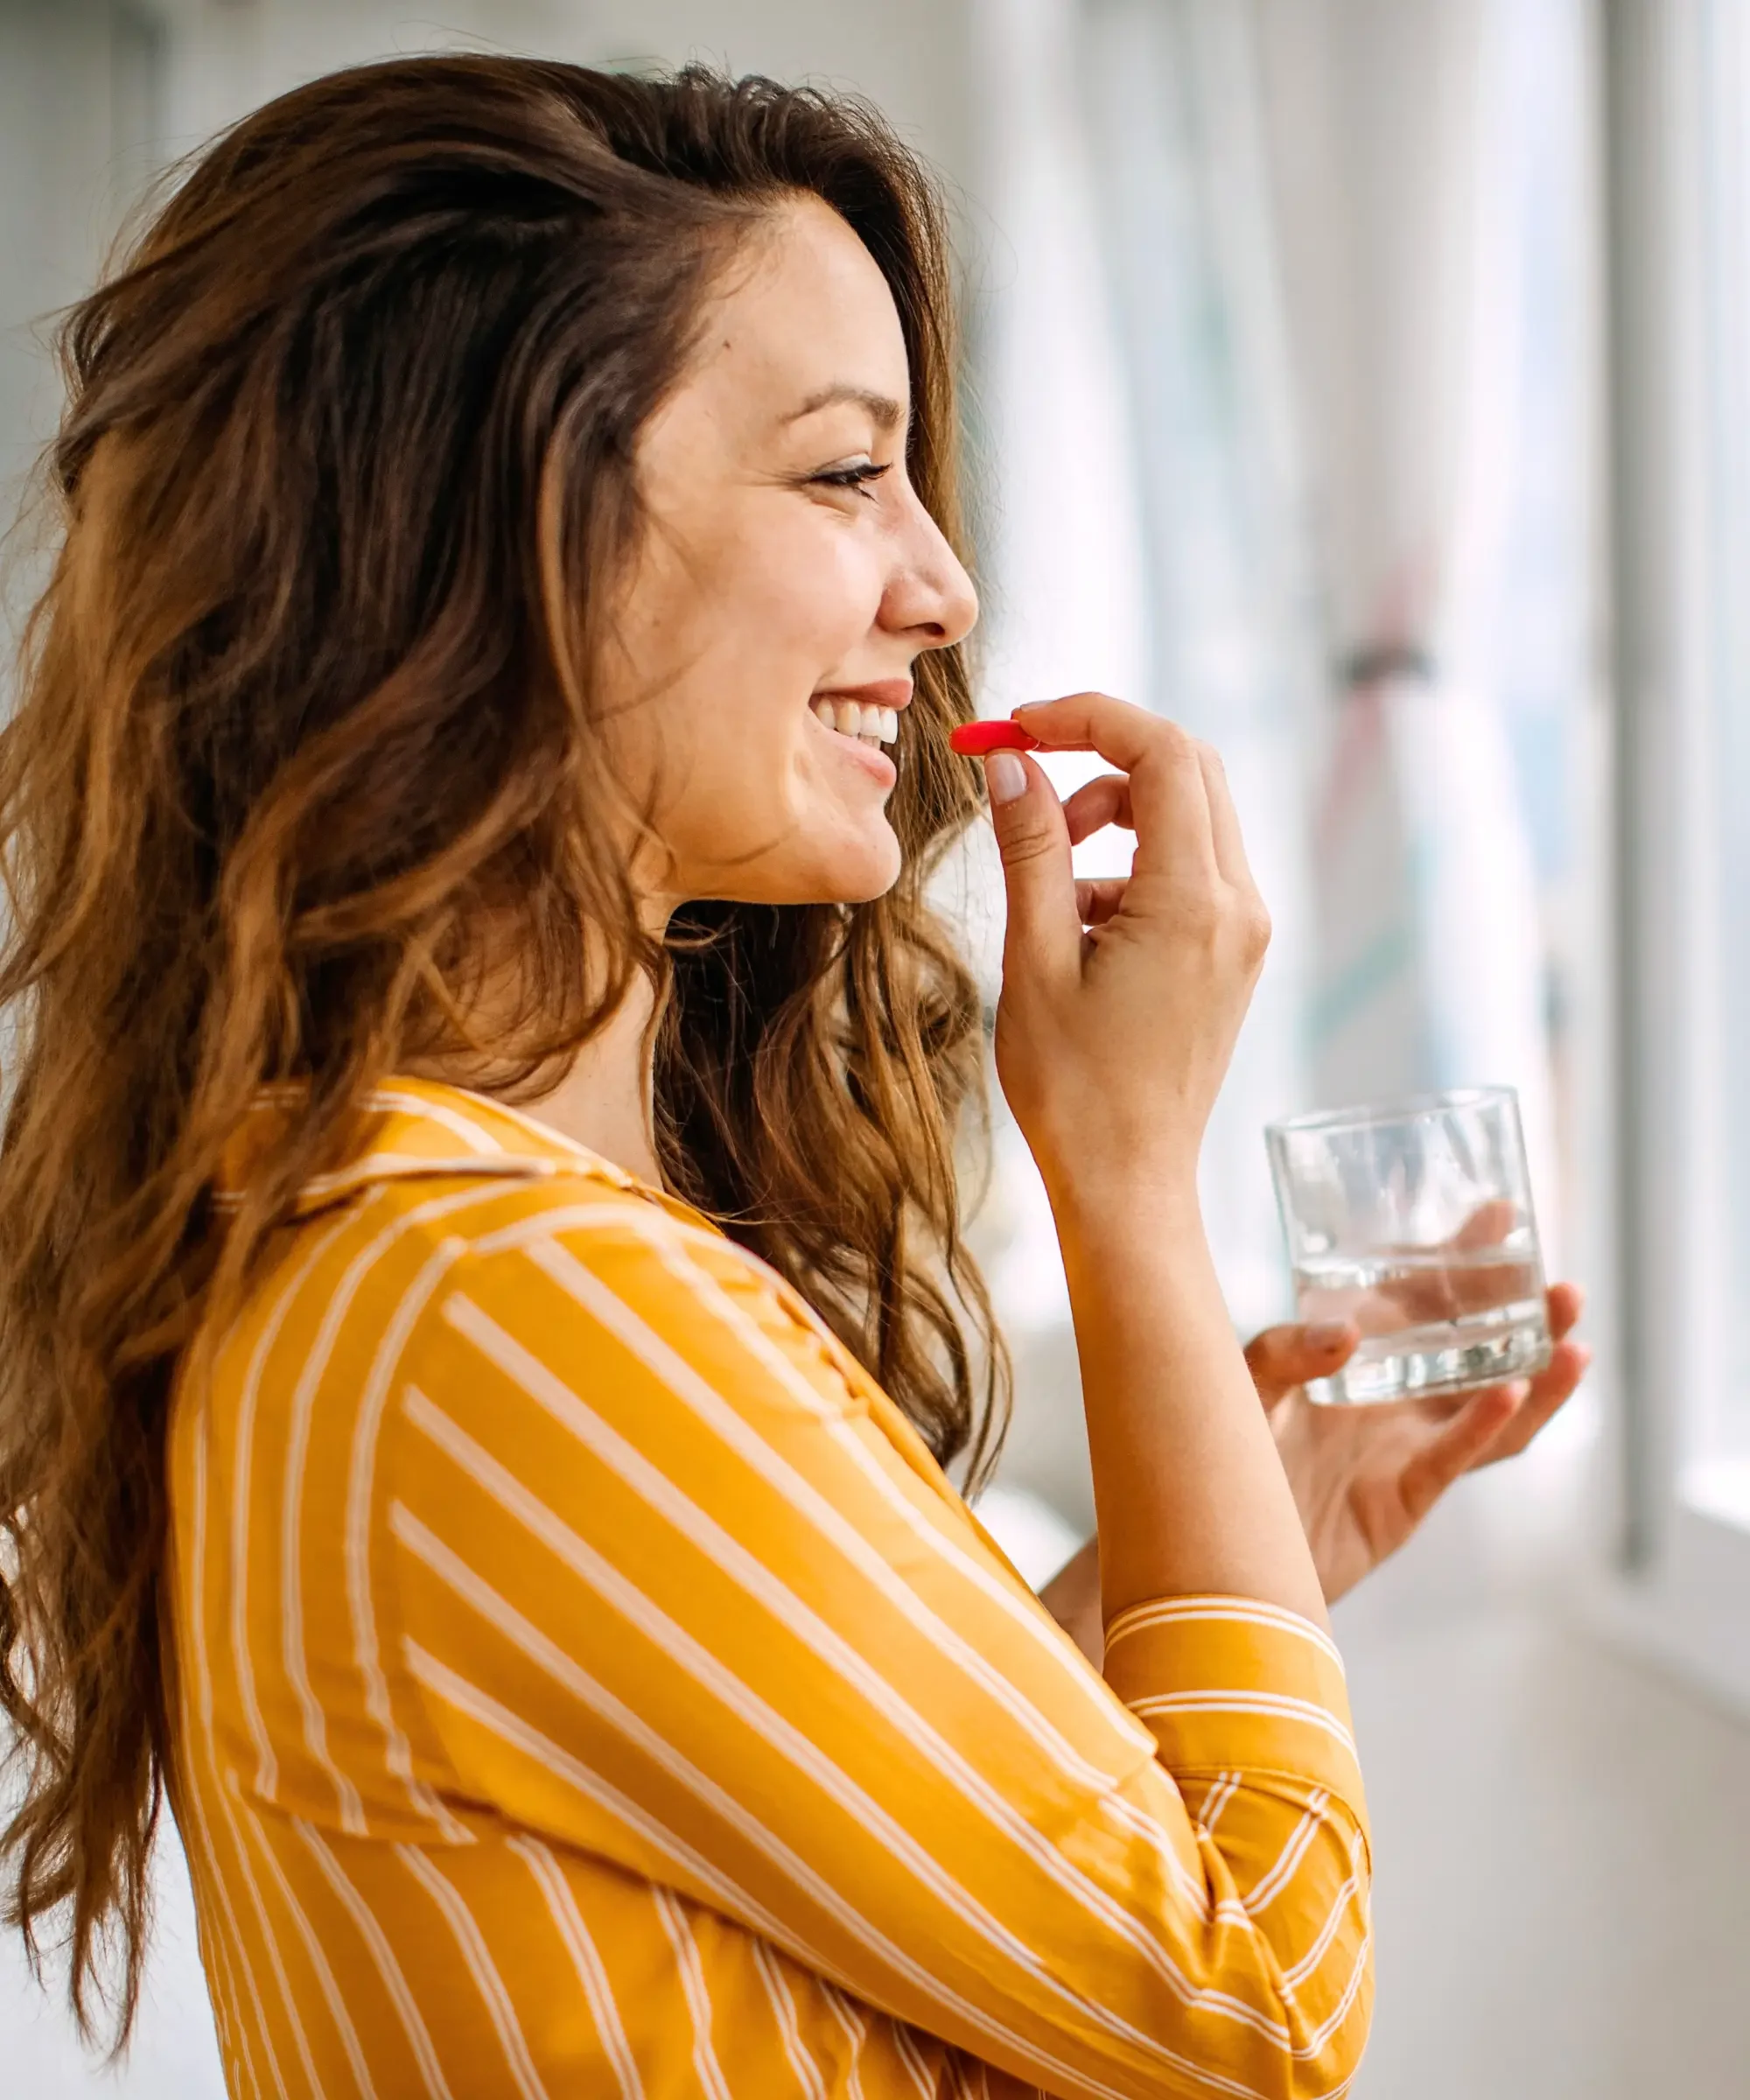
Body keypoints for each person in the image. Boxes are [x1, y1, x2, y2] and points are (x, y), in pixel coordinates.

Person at [0, 56, 1585, 2099]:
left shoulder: (391, 1254)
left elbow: (758, 1879)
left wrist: (1217, 1552)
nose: (943, 591)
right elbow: (1259, 2012)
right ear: (515, 530)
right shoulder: (522, 1310)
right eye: (846, 475)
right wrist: (1121, 1183)